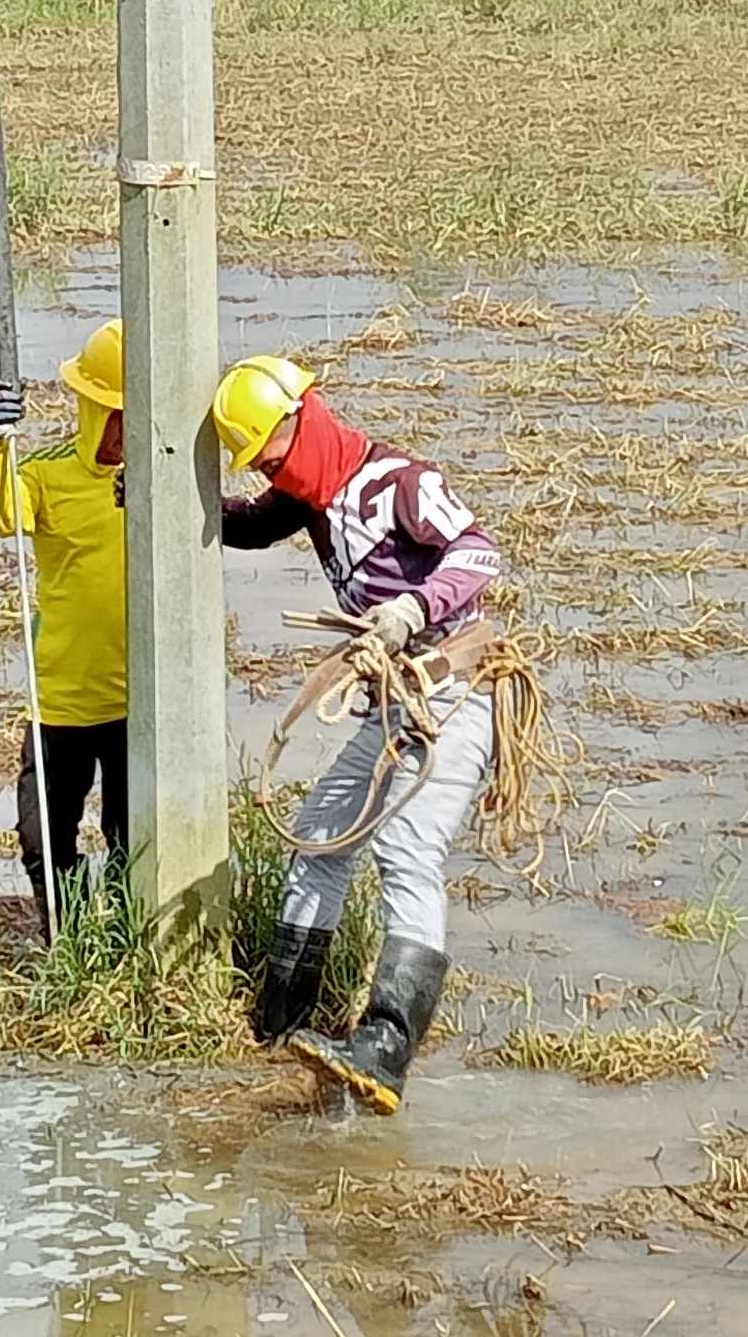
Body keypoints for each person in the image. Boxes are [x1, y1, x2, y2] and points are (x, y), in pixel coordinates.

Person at [217, 354, 501, 1115]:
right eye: (262, 466)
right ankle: (286, 1025)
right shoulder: (309, 496)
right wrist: (154, 496)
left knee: (408, 850)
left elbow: (478, 550)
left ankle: (385, 1048)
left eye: (275, 456)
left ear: (304, 419)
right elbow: (242, 525)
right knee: (317, 839)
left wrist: (412, 608)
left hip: (452, 698)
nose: (273, 473)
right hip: (387, 704)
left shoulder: (401, 481)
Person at [0, 318, 127, 938]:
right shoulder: (46, 473)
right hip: (62, 700)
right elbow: (1, 516)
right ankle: (68, 941)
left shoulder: (156, 476)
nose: (126, 429)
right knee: (43, 838)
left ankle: (126, 944)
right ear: (91, 407)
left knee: (132, 841)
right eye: (117, 412)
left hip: (136, 705)